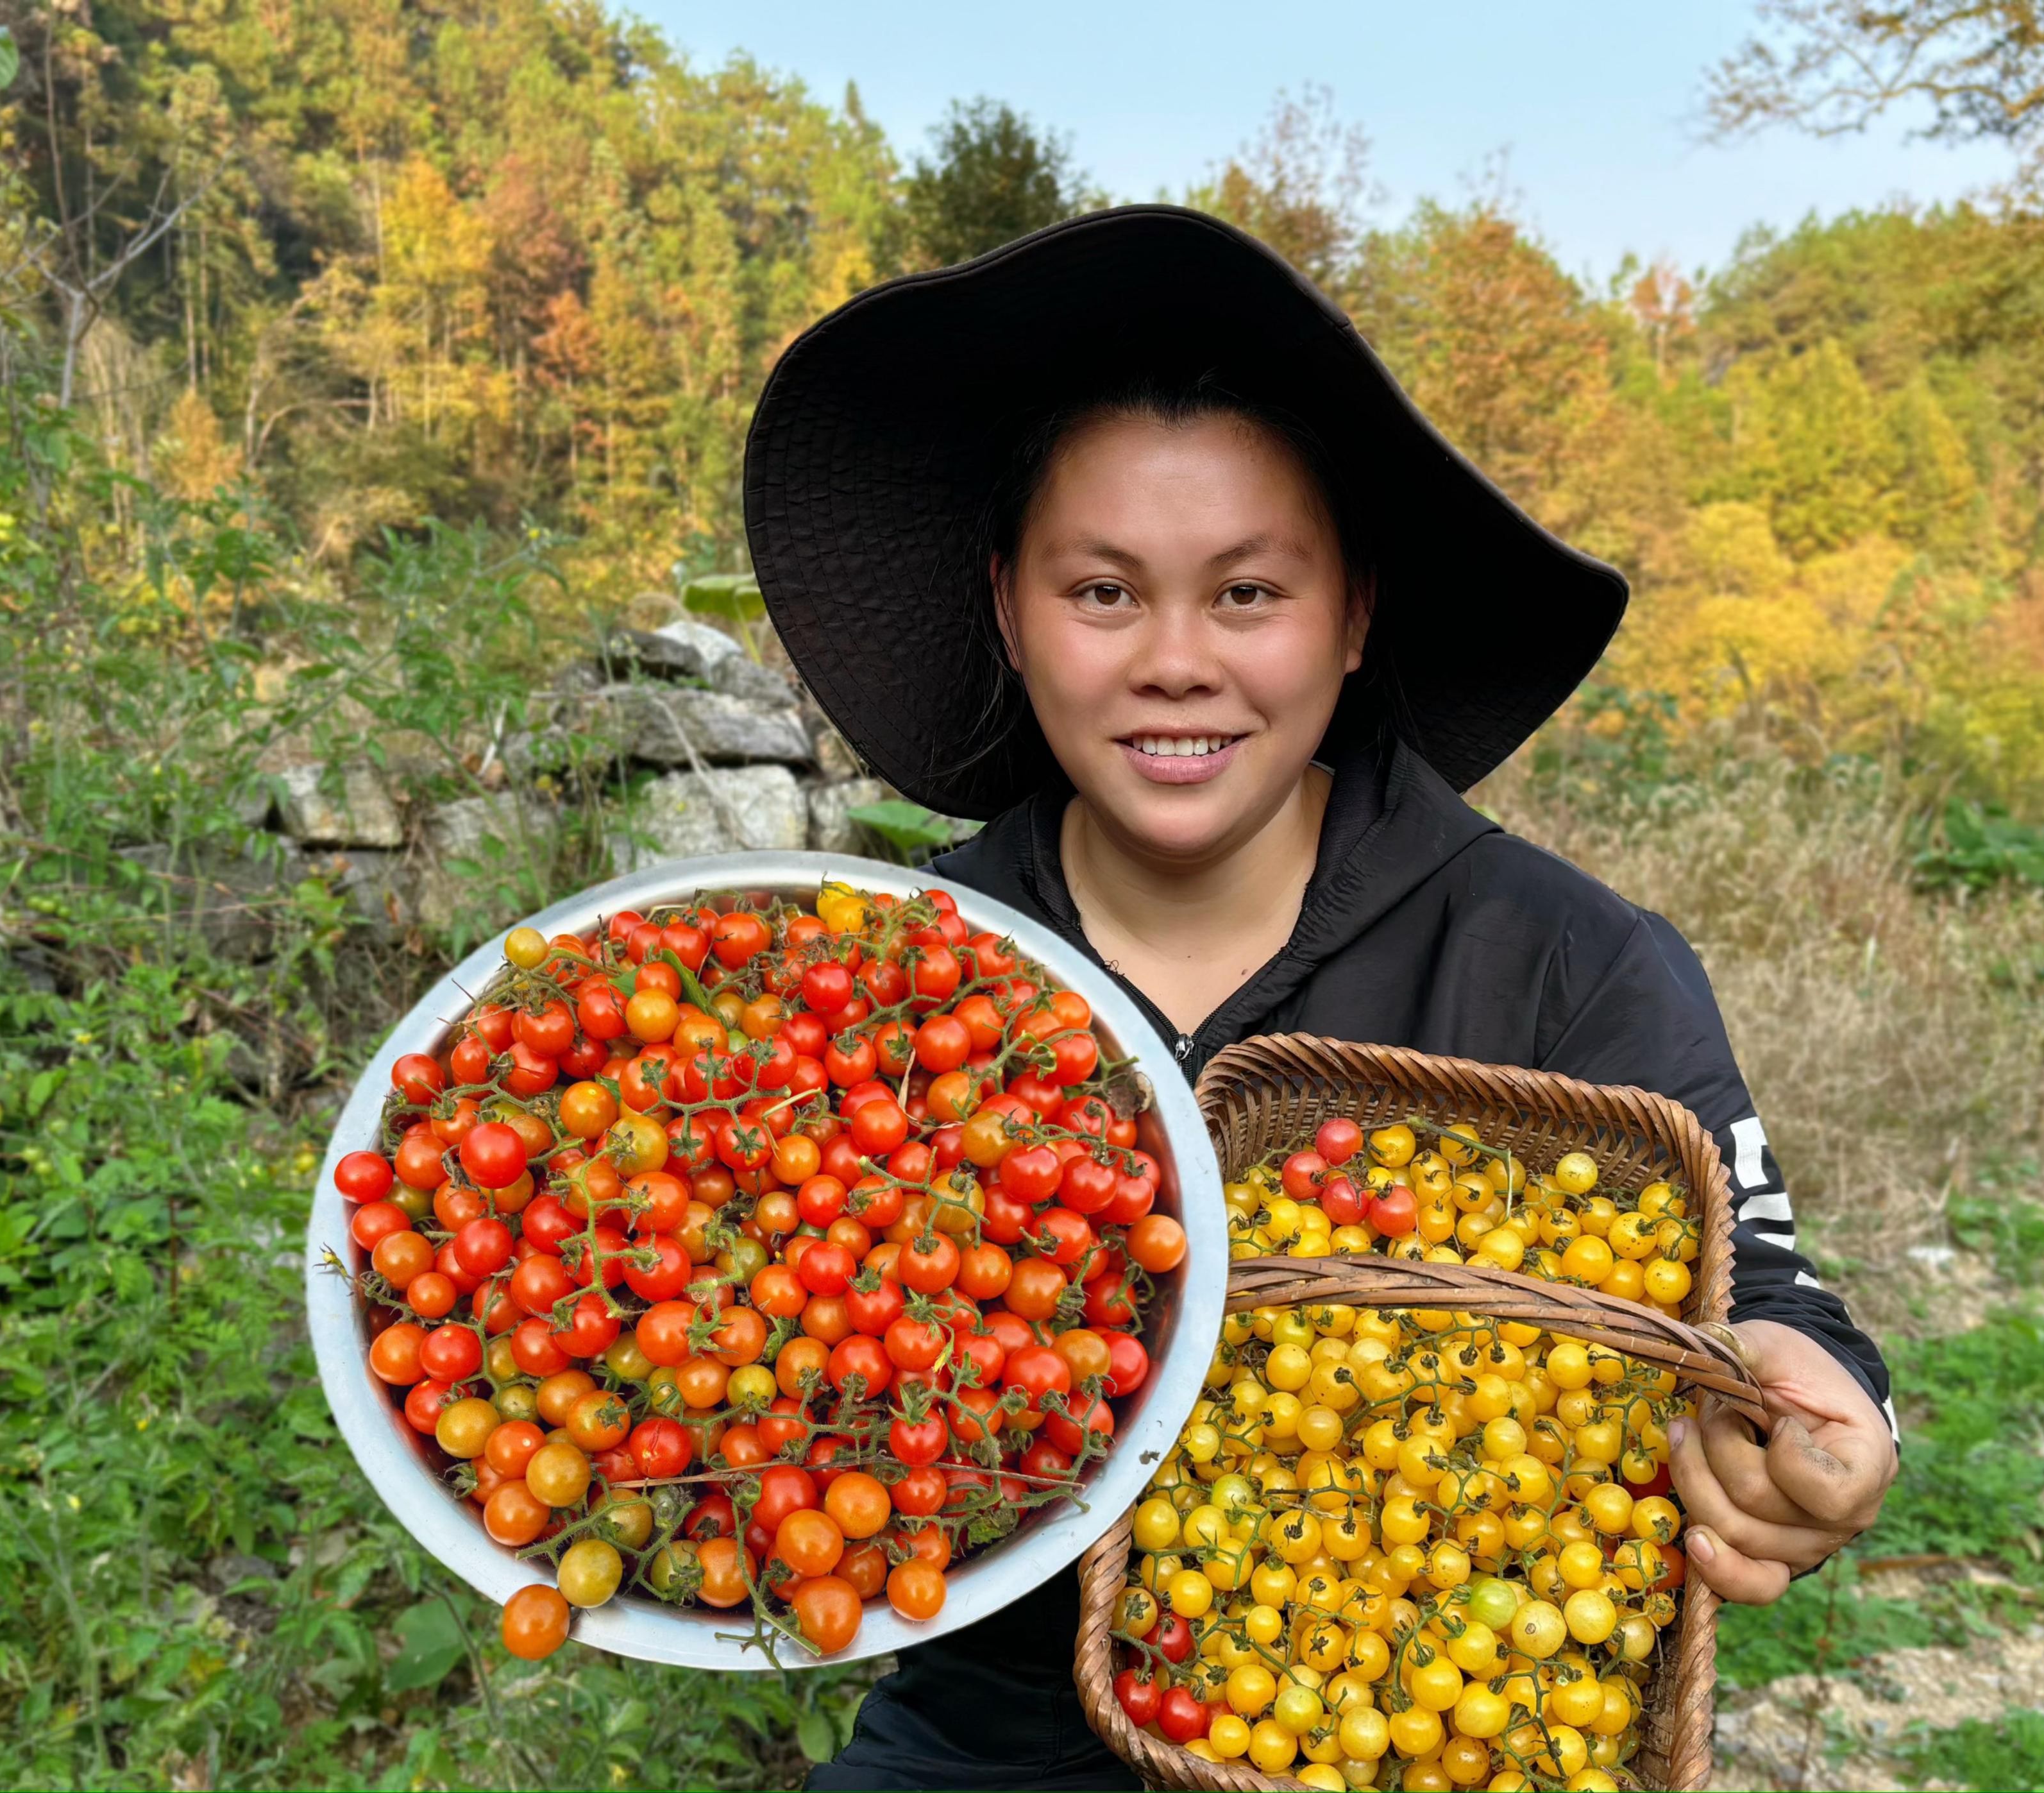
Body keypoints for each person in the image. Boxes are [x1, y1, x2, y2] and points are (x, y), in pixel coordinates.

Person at [747, 205, 1896, 1791]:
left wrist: (1831, 1413)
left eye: (1246, 595)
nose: (1172, 662)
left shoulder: (1561, 961)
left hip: (1408, 1743)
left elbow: (1751, 1288)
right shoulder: (910, 971)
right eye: (1101, 594)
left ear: (1354, 613)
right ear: (1010, 609)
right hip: (980, 1734)